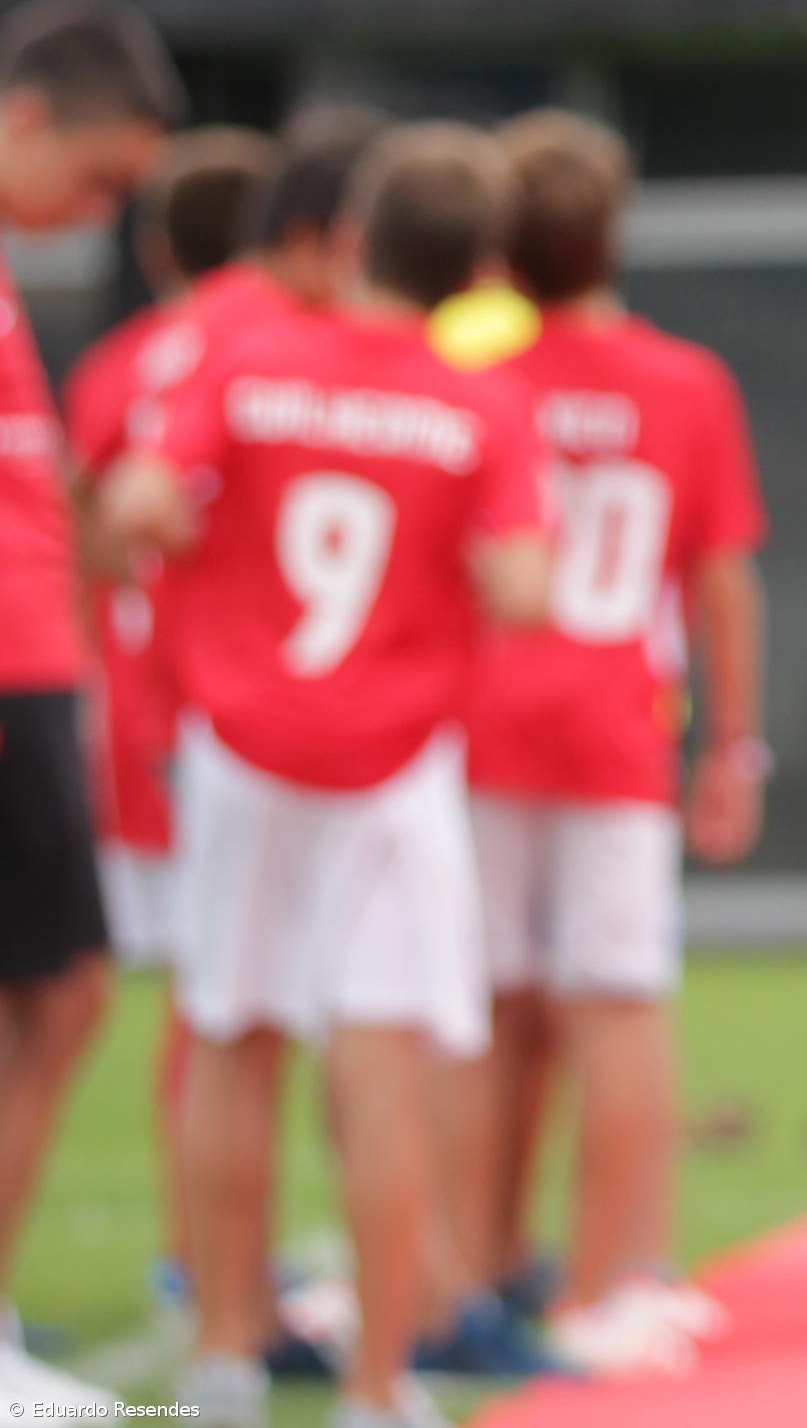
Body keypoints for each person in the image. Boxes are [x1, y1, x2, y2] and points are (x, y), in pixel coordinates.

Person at [104, 125, 549, 1428]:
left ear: (356, 237)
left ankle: (225, 1358)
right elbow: (526, 585)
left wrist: (203, 547)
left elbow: (136, 501)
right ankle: (377, 1379)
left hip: (242, 745)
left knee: (233, 1042)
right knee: (382, 1061)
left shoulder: (246, 359)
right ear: (475, 269)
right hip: (392, 763)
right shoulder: (475, 401)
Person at [446, 112, 763, 1379]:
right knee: (619, 1002)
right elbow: (724, 576)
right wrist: (734, 742)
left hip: (478, 720)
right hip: (617, 726)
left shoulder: (473, 372)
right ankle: (609, 1279)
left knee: (482, 1005)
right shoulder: (684, 383)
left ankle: (466, 1268)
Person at [0, 0, 184, 1410]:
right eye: (103, 179)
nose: (104, 216)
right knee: (55, 992)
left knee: (57, 993)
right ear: (25, 120)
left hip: (37, 671)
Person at [64, 125, 275, 1313]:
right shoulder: (268, 350)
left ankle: (201, 1249)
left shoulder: (115, 367)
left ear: (155, 245)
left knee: (199, 992)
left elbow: (83, 532)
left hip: (129, 700)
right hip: (233, 707)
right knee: (231, 997)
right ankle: (214, 1261)